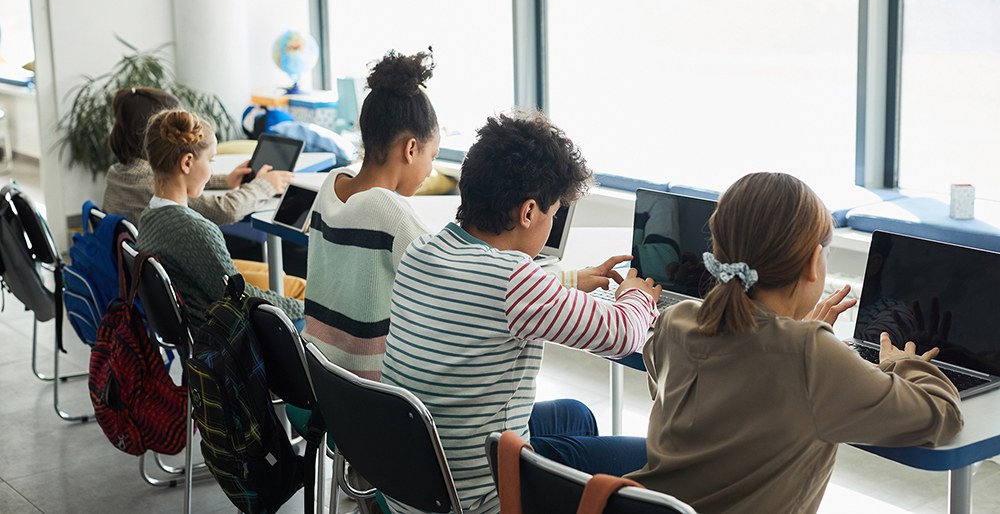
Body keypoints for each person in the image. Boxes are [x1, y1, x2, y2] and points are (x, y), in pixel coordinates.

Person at [626, 172, 964, 514]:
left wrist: (794, 334)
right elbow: (943, 416)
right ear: (812, 263)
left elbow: (679, 388)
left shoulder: (677, 319)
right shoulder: (809, 353)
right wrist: (900, 361)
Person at [380, 111, 662, 514]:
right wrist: (638, 294)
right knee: (652, 460)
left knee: (575, 415)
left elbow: (491, 292)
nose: (551, 222)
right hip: (483, 494)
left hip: (418, 479)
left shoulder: (423, 250)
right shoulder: (514, 280)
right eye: (553, 212)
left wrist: (569, 279)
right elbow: (623, 334)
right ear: (528, 212)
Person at [302, 50, 439, 380]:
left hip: (318, 374)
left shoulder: (329, 185)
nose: (431, 169)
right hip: (369, 392)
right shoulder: (389, 212)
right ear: (410, 149)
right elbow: (450, 279)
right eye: (431, 156)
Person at [135, 109, 304, 329]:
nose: (211, 170)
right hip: (228, 342)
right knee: (305, 315)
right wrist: (303, 309)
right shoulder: (196, 230)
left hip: (201, 336)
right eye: (210, 160)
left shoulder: (149, 216)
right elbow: (241, 298)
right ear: (186, 163)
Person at [103, 86, 293, 226]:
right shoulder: (149, 186)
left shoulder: (118, 172)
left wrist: (225, 181)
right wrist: (264, 186)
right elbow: (225, 210)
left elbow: (172, 175)